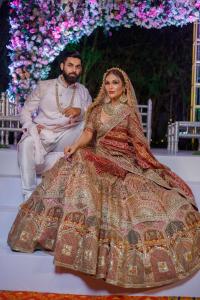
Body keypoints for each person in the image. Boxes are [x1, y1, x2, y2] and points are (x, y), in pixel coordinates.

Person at [8, 68, 200, 289]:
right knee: (76, 159)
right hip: (99, 155)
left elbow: (138, 143)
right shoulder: (96, 110)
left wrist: (145, 164)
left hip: (123, 160)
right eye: (107, 82)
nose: (110, 87)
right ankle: (57, 234)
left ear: (123, 87)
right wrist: (74, 145)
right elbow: (89, 134)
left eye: (115, 83)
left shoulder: (128, 112)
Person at [18, 51, 92, 200]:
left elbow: (93, 117)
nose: (74, 70)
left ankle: (58, 160)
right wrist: (32, 127)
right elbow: (25, 112)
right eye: (70, 65)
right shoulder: (44, 86)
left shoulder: (83, 91)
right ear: (62, 66)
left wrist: (81, 111)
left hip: (67, 136)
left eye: (77, 67)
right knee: (26, 143)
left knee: (86, 125)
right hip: (43, 135)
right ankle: (28, 194)